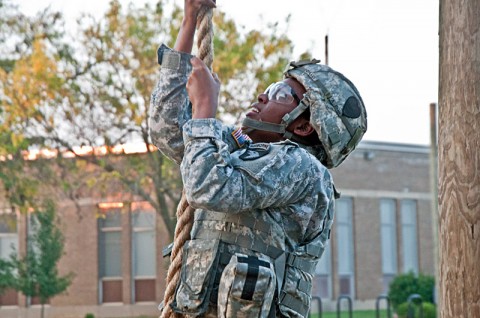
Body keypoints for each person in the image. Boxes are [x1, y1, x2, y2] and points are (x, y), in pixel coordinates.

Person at [149, 0, 367, 317]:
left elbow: (207, 187)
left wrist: (206, 107)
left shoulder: (303, 171)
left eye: (280, 94)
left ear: (305, 125)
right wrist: (188, 25)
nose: (263, 96)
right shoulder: (241, 152)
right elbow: (167, 131)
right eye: (270, 88)